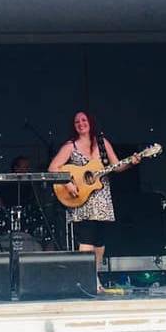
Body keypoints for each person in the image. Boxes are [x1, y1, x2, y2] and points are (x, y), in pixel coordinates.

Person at [48, 111, 139, 290]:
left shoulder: (102, 143)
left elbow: (117, 166)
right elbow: (53, 168)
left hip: (102, 198)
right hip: (81, 198)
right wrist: (67, 182)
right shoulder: (70, 146)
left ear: (90, 122)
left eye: (84, 120)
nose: (80, 123)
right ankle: (88, 280)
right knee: (86, 238)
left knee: (99, 241)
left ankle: (94, 277)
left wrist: (131, 162)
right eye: (77, 121)